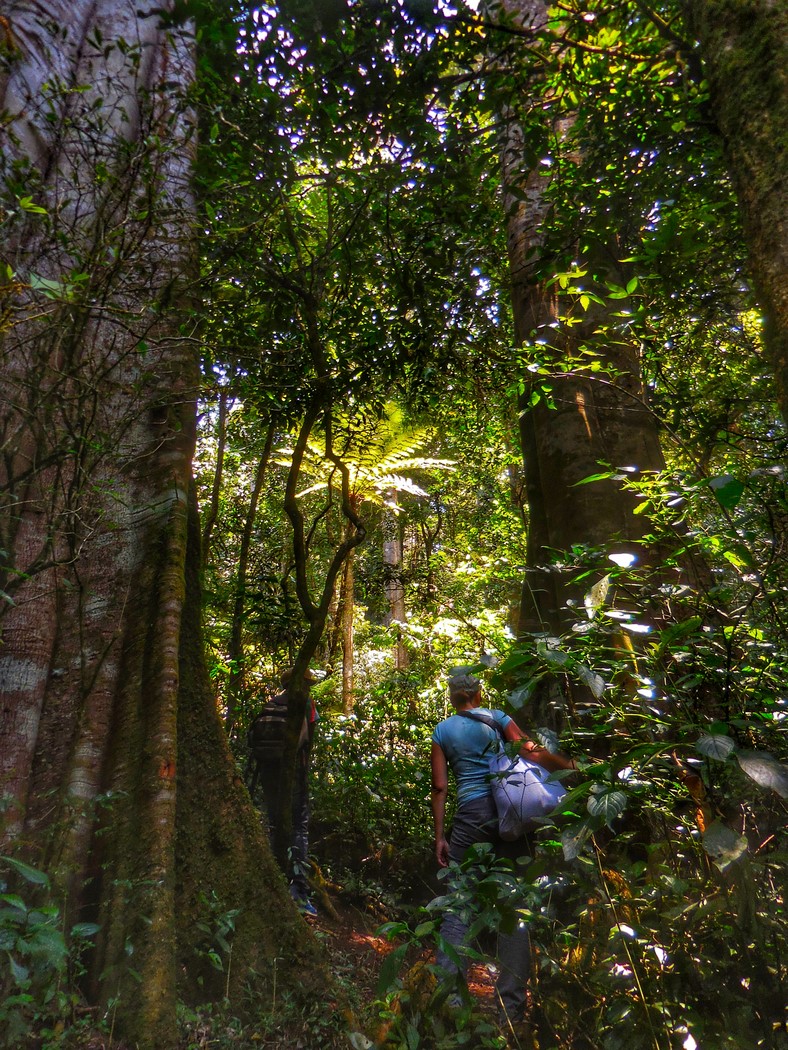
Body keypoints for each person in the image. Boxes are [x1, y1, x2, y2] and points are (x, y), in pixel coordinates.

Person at [430, 671, 576, 1032]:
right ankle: (510, 1013)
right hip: (510, 816)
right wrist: (569, 766)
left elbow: (439, 787)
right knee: (514, 907)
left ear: (452, 697)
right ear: (478, 693)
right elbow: (533, 752)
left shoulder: (442, 731)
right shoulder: (497, 718)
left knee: (458, 907)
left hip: (470, 818)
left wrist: (439, 836)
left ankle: (450, 1003)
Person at [254, 667, 319, 917]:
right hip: (294, 774)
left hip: (269, 773)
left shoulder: (271, 702)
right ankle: (299, 892)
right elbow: (309, 742)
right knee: (299, 827)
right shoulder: (306, 704)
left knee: (274, 822)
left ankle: (275, 880)